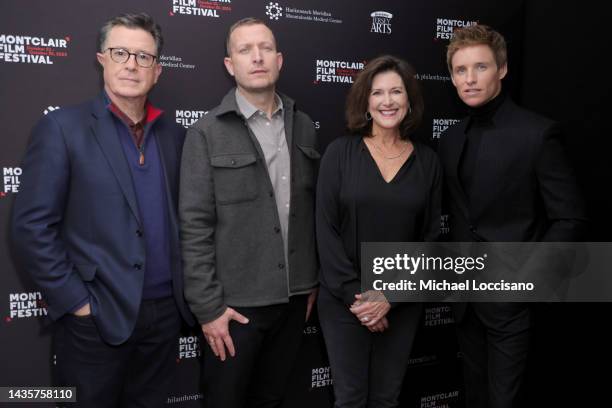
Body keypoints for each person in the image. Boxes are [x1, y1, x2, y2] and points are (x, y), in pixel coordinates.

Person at [10, 12, 194, 408]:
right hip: (95, 319)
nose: (132, 64)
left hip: (164, 320)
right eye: (121, 52)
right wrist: (77, 303)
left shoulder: (176, 136)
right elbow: (31, 226)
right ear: (102, 59)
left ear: (158, 71)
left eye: (144, 57)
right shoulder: (62, 128)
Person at [438, 24, 587, 408]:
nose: (469, 79)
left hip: (511, 301)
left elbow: (569, 218)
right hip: (464, 298)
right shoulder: (451, 138)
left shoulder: (537, 134)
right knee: (474, 395)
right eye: (460, 70)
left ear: (502, 69)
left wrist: (526, 282)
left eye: (480, 67)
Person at [179, 17, 319, 408]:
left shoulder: (304, 127)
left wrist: (309, 281)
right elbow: (194, 226)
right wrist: (208, 309)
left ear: (279, 59)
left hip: (293, 303)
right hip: (234, 309)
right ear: (230, 64)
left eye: (265, 48)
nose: (257, 57)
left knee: (275, 400)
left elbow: (310, 212)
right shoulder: (206, 133)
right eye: (245, 50)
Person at [316, 55, 442, 408]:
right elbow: (325, 230)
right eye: (378, 93)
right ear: (366, 101)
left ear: (409, 100)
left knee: (387, 399)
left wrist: (390, 297)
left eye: (396, 92)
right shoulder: (339, 153)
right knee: (351, 399)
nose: (387, 101)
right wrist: (362, 299)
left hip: (401, 303)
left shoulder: (428, 162)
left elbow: (431, 239)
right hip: (345, 301)